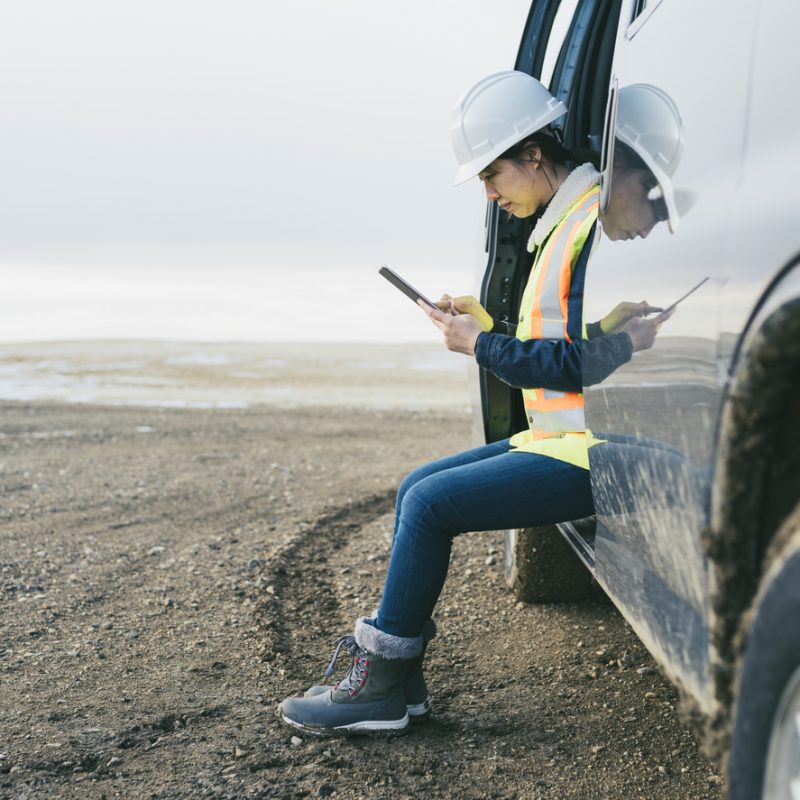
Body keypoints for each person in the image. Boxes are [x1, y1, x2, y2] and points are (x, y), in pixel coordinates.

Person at [278, 72, 668, 736]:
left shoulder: (586, 222)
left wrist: (481, 344)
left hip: (590, 449)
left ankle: (381, 683)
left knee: (431, 507)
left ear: (534, 156)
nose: (489, 193)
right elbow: (574, 346)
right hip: (558, 436)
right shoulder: (563, 220)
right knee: (414, 488)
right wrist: (487, 323)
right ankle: (398, 685)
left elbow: (581, 367)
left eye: (493, 175)